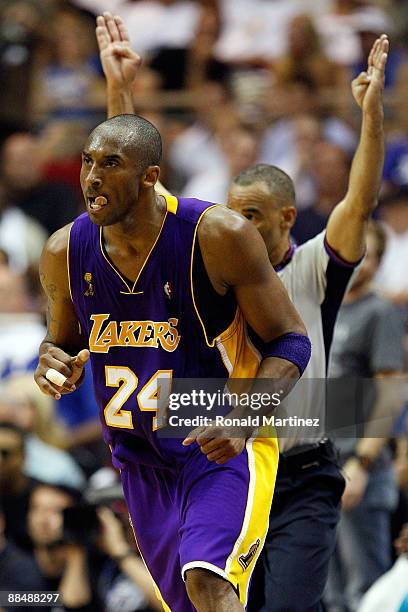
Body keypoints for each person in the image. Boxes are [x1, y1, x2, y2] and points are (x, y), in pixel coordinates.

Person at [95, 11, 388, 610]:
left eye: (251, 215)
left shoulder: (315, 265)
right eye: (233, 211)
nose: (237, 225)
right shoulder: (211, 256)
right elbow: (136, 191)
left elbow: (360, 198)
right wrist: (121, 89)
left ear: (286, 218)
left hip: (300, 470)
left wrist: (370, 114)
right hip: (222, 463)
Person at [34, 16, 311, 612]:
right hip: (138, 461)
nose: (90, 179)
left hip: (216, 440)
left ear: (152, 179)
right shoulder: (64, 251)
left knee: (207, 580)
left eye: (106, 166)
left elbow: (291, 341)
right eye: (85, 163)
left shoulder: (216, 235)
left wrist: (241, 418)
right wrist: (54, 363)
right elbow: (58, 348)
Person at [324, 222, 404, 612]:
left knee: (366, 592)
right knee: (330, 591)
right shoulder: (326, 306)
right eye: (354, 251)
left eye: (370, 255)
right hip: (323, 462)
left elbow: (390, 392)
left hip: (360, 468)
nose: (360, 262)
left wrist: (363, 461)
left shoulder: (381, 311)